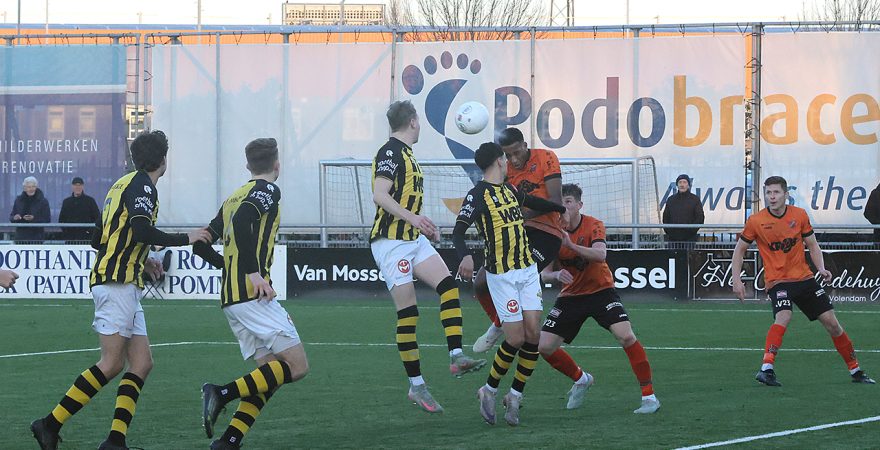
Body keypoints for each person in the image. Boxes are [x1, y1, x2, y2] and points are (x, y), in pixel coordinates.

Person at [30, 130, 213, 450]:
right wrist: (188, 237)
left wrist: (143, 261)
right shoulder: (143, 186)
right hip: (116, 284)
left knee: (141, 363)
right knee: (112, 363)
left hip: (122, 281)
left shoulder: (120, 184)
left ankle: (115, 441)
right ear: (163, 160)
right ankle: (49, 423)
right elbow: (141, 230)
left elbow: (98, 239)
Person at [369, 100, 485, 413]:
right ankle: (417, 386)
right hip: (391, 242)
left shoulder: (407, 154)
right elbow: (379, 194)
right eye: (418, 121)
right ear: (413, 121)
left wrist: (422, 225)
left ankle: (456, 356)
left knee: (448, 286)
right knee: (408, 314)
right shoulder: (391, 151)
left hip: (412, 238)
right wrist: (413, 218)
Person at [195, 138, 309, 450]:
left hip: (232, 299)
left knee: (269, 374)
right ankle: (220, 393)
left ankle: (229, 441)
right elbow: (245, 220)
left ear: (248, 165)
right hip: (252, 295)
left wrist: (228, 266)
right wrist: (252, 273)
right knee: (297, 367)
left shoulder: (233, 197)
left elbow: (200, 245)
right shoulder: (268, 190)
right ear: (277, 165)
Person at [454, 142, 569, 426]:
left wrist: (558, 208)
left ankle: (515, 395)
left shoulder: (510, 190)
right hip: (502, 275)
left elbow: (534, 203)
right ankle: (489, 390)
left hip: (527, 270)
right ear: (498, 161)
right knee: (516, 339)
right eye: (504, 158)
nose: (508, 162)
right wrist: (465, 256)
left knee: (533, 334)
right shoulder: (477, 195)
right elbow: (458, 231)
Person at [732, 176, 875, 387]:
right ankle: (766, 368)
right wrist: (736, 279)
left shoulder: (799, 215)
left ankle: (855, 370)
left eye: (776, 192)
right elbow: (740, 250)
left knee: (832, 323)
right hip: (778, 281)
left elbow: (813, 245)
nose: (772, 197)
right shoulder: (756, 220)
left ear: (786, 194)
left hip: (804, 278)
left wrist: (821, 268)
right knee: (784, 315)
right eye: (768, 193)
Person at [538, 183, 660, 414]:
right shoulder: (553, 231)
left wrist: (571, 245)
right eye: (561, 203)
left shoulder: (594, 225)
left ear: (579, 205)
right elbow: (545, 272)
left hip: (601, 291)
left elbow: (600, 254)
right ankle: (581, 379)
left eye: (568, 202)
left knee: (626, 336)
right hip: (571, 296)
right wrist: (555, 275)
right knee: (544, 347)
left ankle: (649, 397)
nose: (564, 207)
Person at [472, 127, 567, 354]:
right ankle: (502, 322)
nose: (513, 159)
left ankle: (497, 328)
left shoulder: (546, 158)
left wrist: (524, 215)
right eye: (508, 155)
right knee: (480, 282)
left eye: (517, 152)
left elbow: (555, 200)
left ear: (525, 145)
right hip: (517, 235)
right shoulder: (503, 169)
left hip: (546, 234)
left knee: (522, 286)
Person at [662, 174, 704, 245]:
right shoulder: (671, 199)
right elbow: (665, 217)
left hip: (690, 239)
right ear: (677, 185)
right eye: (680, 182)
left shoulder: (695, 199)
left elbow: (700, 218)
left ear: (688, 185)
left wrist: (691, 231)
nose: (682, 185)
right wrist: (670, 232)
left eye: (684, 182)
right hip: (672, 239)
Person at [59, 176, 102, 242]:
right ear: (72, 187)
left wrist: (89, 231)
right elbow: (61, 220)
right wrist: (67, 232)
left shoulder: (90, 201)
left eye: (79, 185)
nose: (77, 187)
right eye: (75, 185)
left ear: (83, 187)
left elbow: (97, 218)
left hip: (86, 239)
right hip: (70, 239)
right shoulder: (66, 202)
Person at [10, 176, 51, 242]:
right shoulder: (18, 200)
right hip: (20, 237)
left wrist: (34, 219)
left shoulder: (43, 201)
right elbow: (11, 216)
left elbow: (47, 219)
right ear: (24, 188)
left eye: (33, 186)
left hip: (37, 237)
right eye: (29, 187)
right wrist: (15, 218)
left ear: (36, 187)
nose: (31, 189)